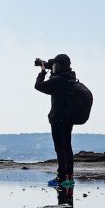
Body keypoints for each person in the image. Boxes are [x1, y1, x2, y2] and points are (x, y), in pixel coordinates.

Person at [34, 53, 80, 188]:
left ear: (58, 66)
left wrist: (43, 71)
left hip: (58, 119)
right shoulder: (70, 78)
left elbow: (39, 86)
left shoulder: (57, 81)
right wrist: (50, 67)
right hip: (68, 118)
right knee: (67, 148)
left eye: (54, 64)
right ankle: (69, 178)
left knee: (60, 149)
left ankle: (61, 178)